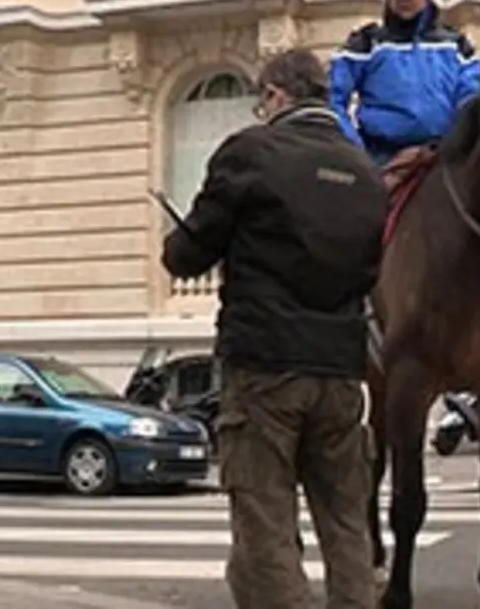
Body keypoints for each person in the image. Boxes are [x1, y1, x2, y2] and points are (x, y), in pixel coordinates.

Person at [161, 49, 387, 609]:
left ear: (278, 96)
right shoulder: (366, 174)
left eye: (261, 99)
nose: (260, 109)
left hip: (265, 364)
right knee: (346, 523)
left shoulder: (250, 153)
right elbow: (370, 269)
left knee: (265, 519)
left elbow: (189, 254)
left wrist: (182, 240)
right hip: (339, 369)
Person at [328, 0, 480, 168]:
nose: (404, 0)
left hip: (442, 156)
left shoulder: (457, 47)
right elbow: (332, 98)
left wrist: (457, 144)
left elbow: (470, 100)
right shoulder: (365, 44)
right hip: (382, 158)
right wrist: (356, 149)